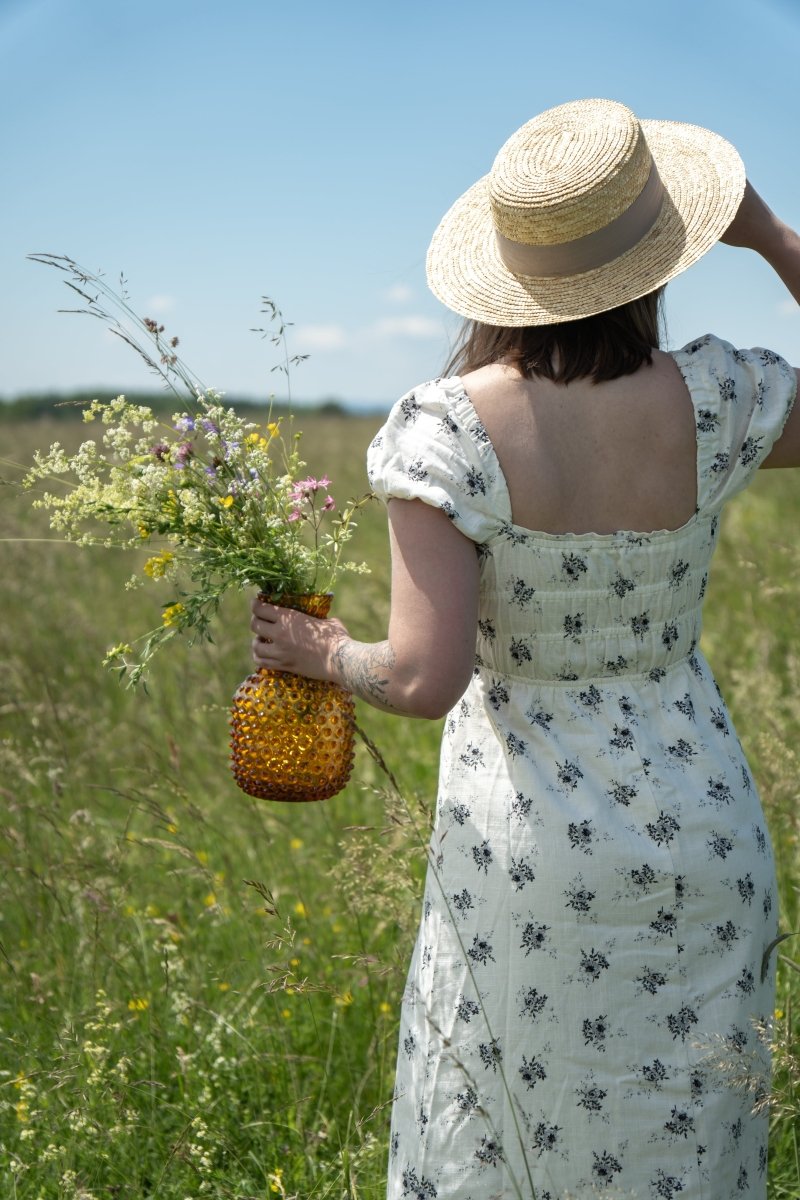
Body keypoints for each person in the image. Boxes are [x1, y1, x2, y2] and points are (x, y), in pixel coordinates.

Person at [250, 99, 800, 1200]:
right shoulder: (718, 398)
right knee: (683, 1137)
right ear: (658, 257)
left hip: (531, 840)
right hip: (699, 819)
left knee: (513, 1128)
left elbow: (419, 676)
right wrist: (773, 238)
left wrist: (320, 653)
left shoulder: (443, 429)